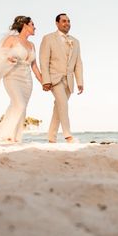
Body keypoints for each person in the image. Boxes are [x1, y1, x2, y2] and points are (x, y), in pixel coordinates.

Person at [0, 16, 43, 142]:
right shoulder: (11, 39)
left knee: (20, 107)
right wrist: (7, 58)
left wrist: (44, 82)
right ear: (25, 25)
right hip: (12, 77)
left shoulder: (32, 45)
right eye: (32, 24)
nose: (35, 27)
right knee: (19, 104)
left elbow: (34, 66)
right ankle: (6, 134)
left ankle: (14, 137)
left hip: (27, 81)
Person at [39, 13, 84, 143]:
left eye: (69, 21)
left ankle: (51, 138)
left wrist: (80, 81)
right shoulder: (48, 38)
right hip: (54, 78)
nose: (67, 23)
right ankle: (68, 135)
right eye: (64, 21)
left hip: (69, 81)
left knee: (58, 108)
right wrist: (46, 80)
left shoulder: (75, 42)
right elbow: (43, 60)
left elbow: (78, 63)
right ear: (57, 23)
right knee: (63, 104)